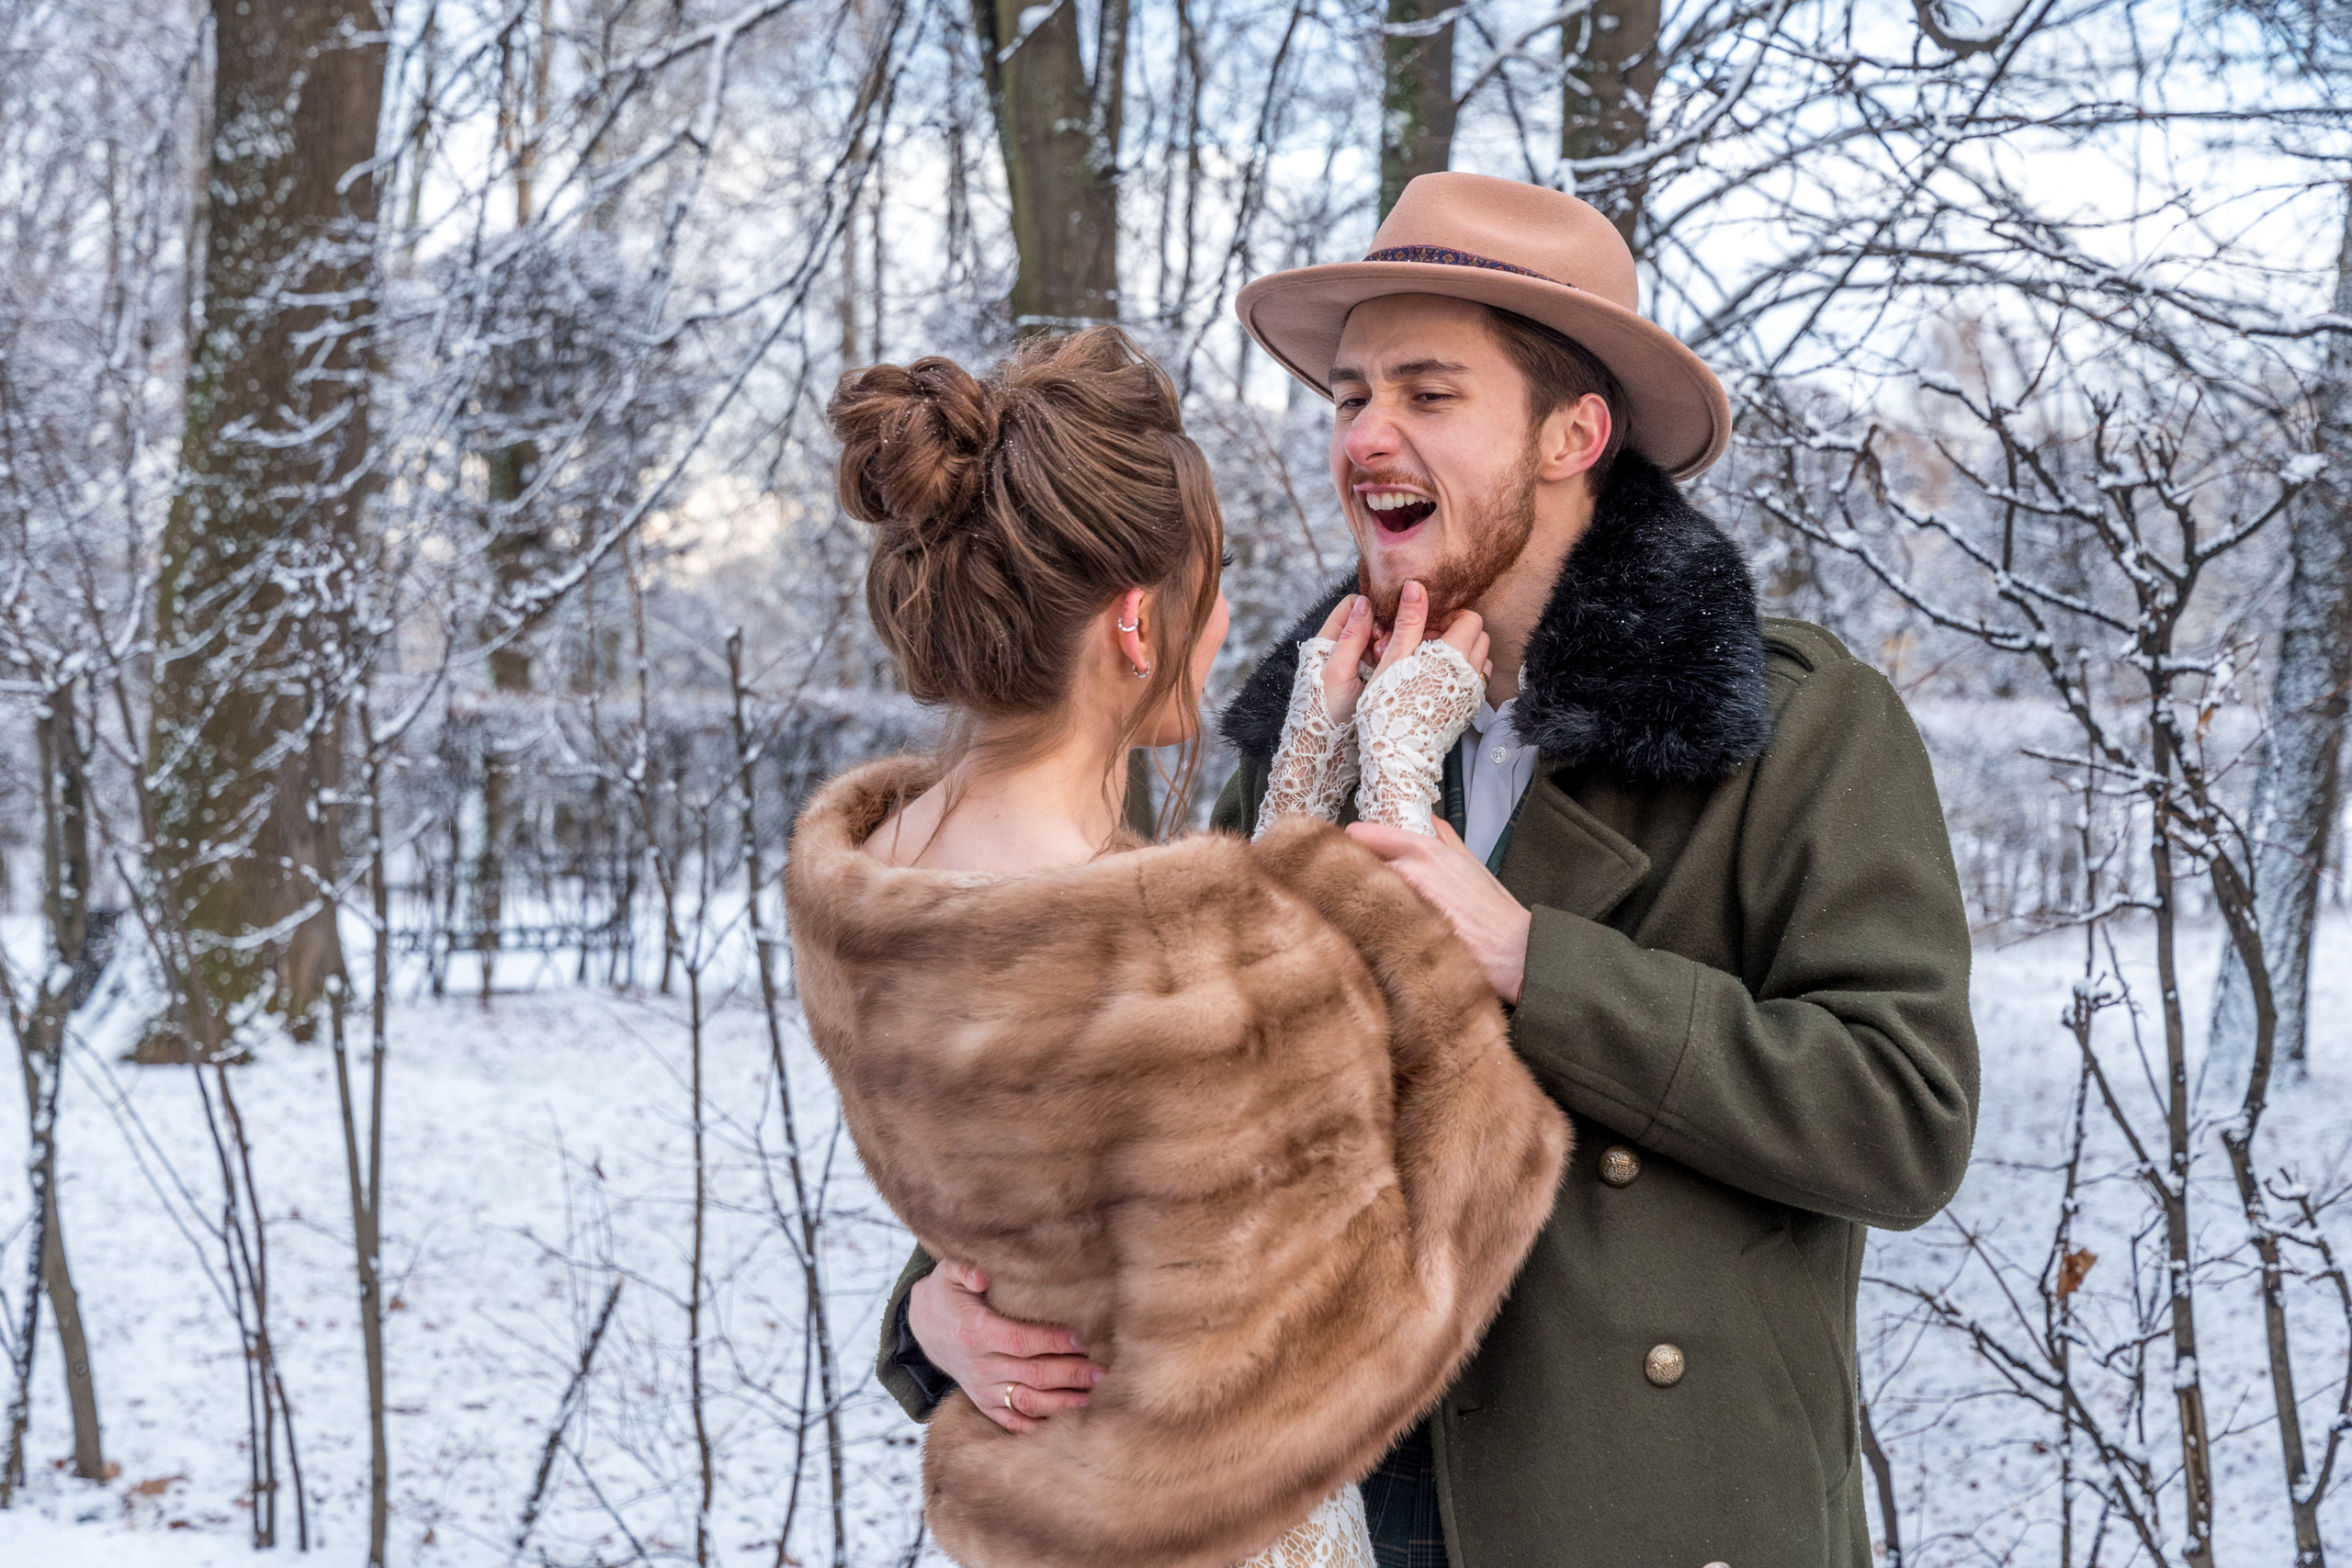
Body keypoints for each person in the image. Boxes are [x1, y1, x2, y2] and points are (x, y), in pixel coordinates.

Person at [877, 174, 1980, 1568]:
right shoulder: (1311, 736)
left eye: (1428, 393)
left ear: (1576, 433)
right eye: (1349, 396)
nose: (1365, 438)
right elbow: (1153, 1091)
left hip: (1642, 1519)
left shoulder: (1800, 728)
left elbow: (1907, 1120)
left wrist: (1533, 962)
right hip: (1343, 1514)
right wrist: (938, 1311)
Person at [785, 326, 1570, 1568]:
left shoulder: (880, 884)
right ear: (1138, 623)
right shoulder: (1157, 961)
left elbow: (1115, 1168)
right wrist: (1398, 799)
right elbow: (1407, 1286)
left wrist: (1303, 779)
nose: (1225, 634)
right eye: (1215, 582)